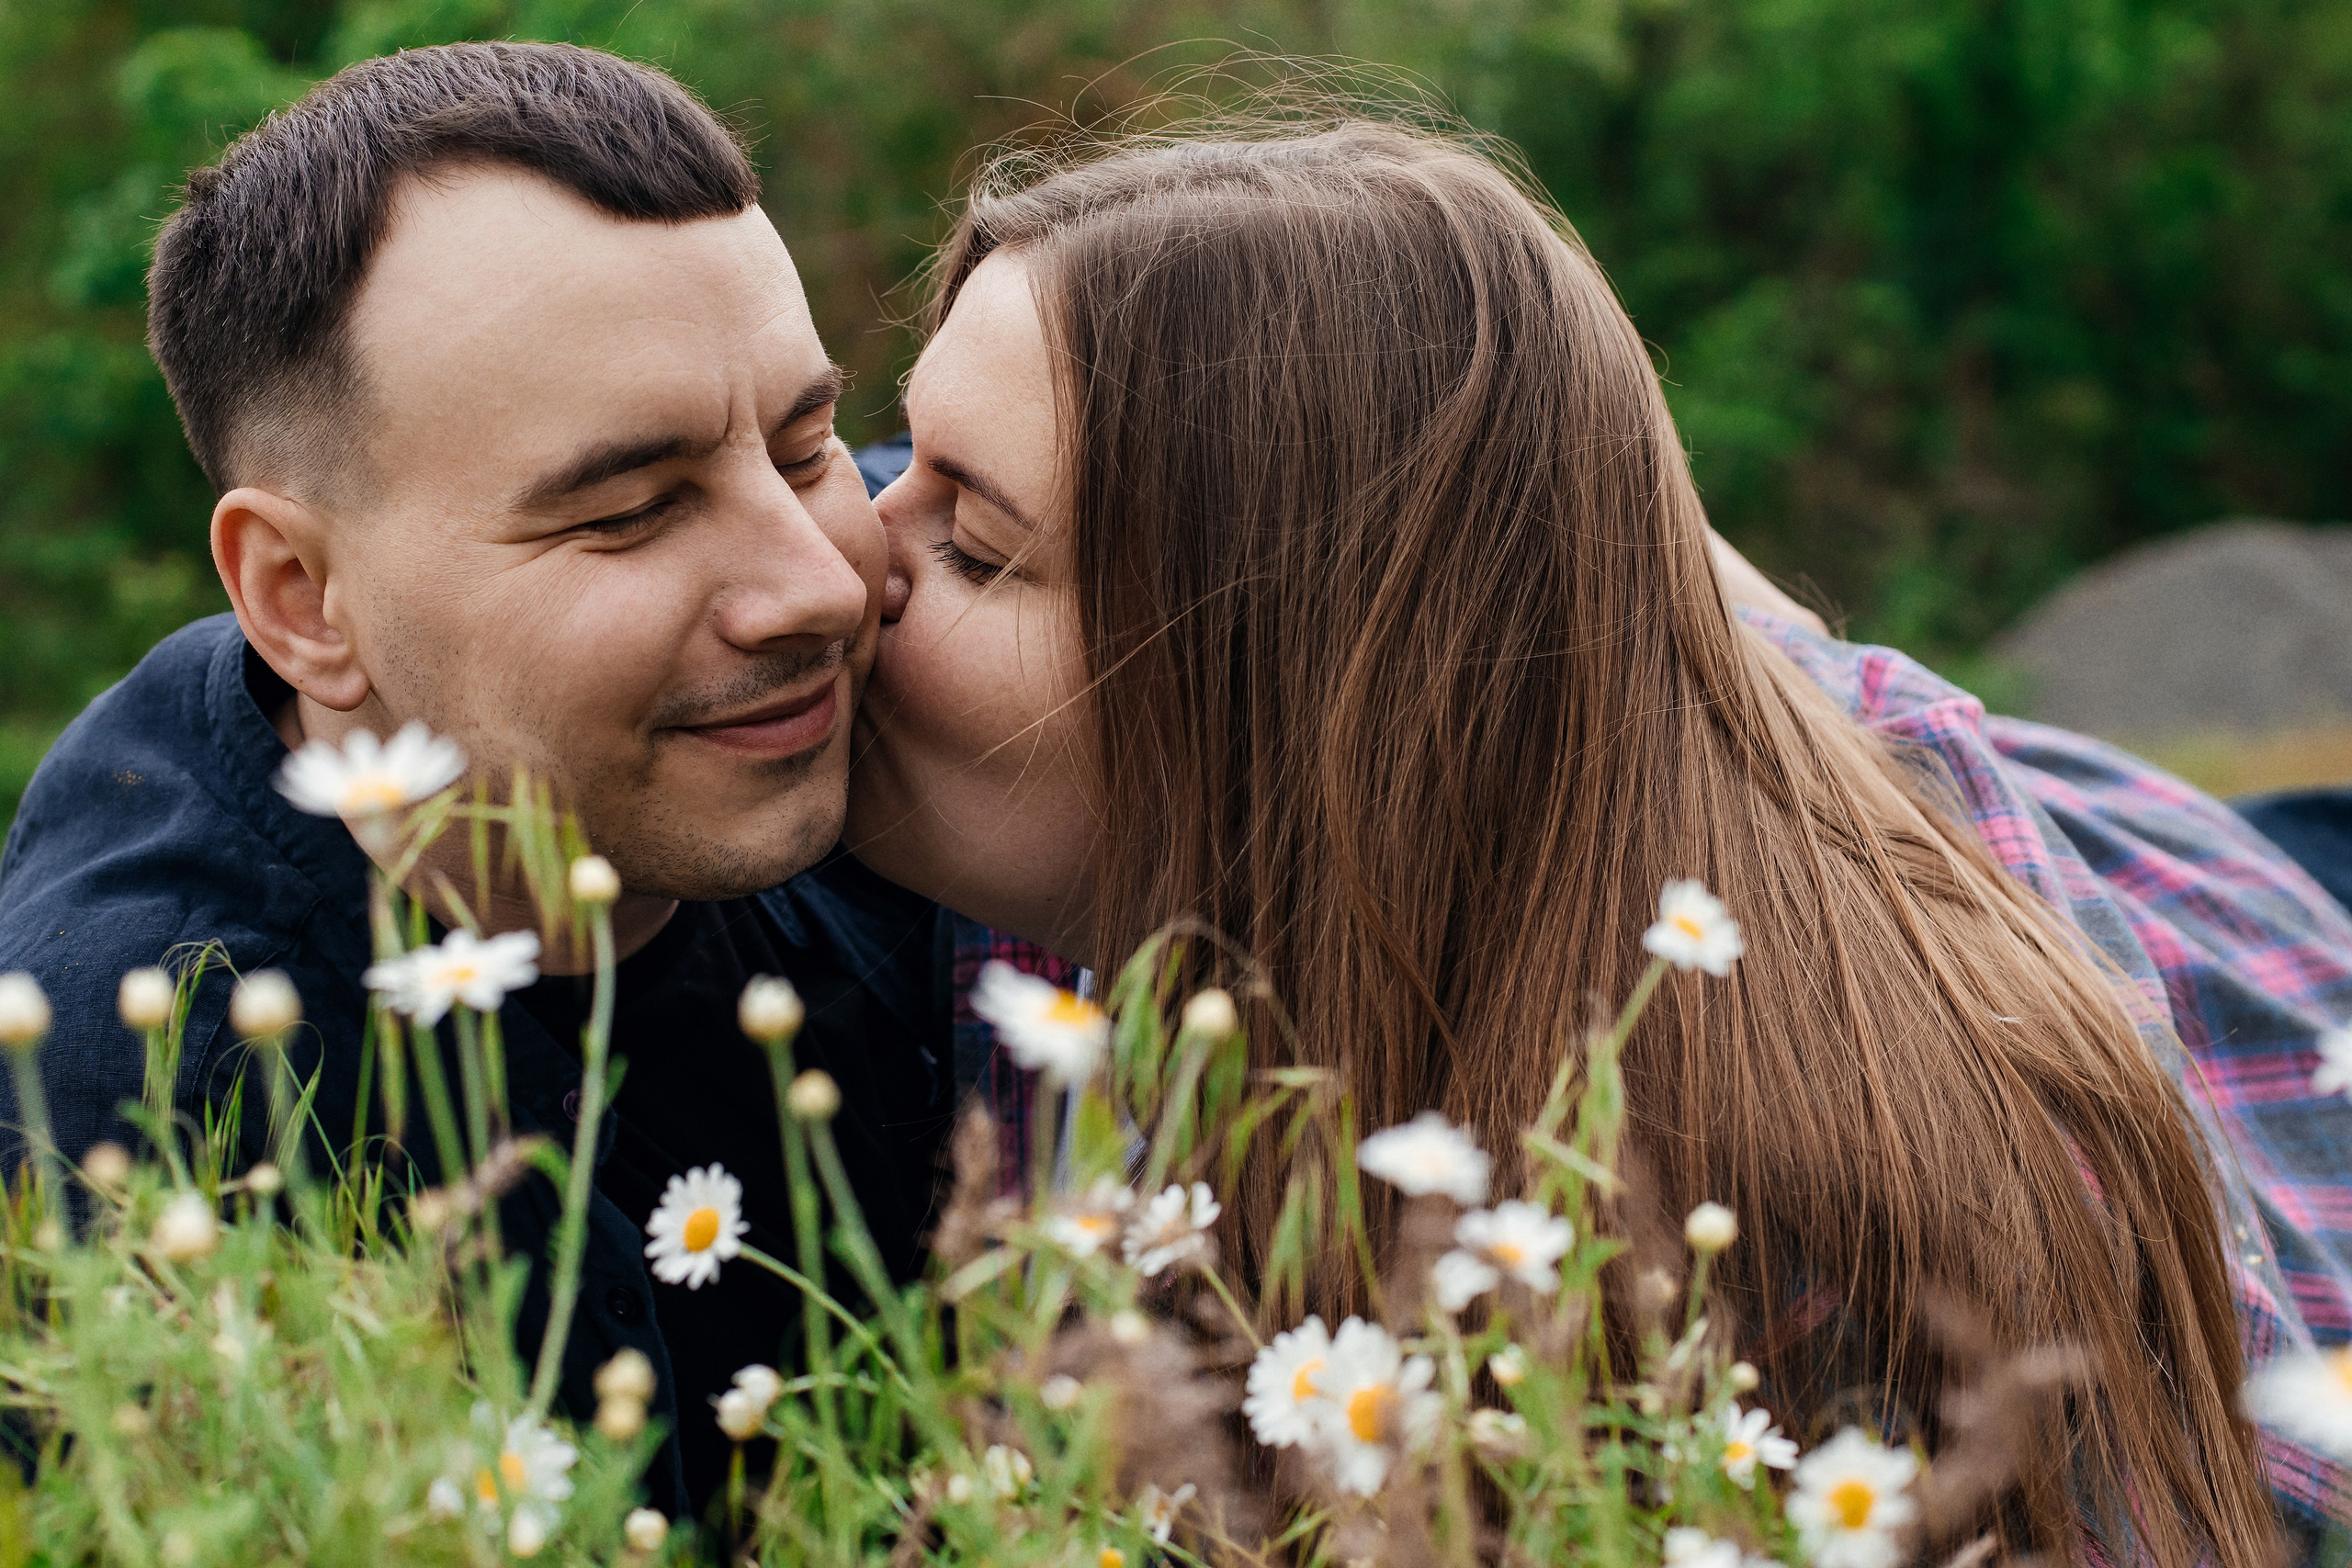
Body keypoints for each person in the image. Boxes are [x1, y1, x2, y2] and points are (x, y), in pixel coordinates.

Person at [845, 120, 2352, 1562]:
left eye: (970, 542)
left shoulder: (1827, 1254)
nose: (845, 556)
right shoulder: (1144, 850)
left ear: (1278, 699)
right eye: (886, 461)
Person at [0, 42, 1021, 1517]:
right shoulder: (133, 1136)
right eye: (632, 510)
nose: (820, 583)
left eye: (804, 447)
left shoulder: (932, 627)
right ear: (299, 598)